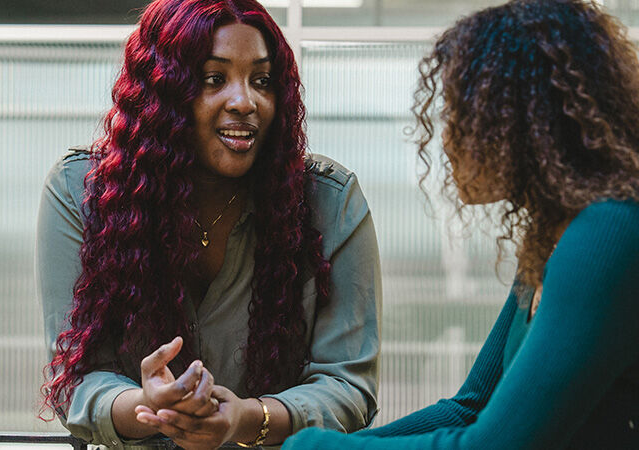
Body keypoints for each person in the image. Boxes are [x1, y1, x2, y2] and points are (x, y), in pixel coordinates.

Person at [284, 0, 639, 449]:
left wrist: (309, 449)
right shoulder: (561, 234)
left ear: (525, 121)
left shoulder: (620, 230)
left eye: (464, 114)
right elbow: (470, 408)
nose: (448, 140)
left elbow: (495, 447)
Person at [36, 0, 381, 448]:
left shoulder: (330, 202)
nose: (244, 101)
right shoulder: (81, 192)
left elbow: (349, 387)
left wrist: (245, 419)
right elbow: (75, 379)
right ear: (161, 94)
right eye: (213, 79)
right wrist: (151, 407)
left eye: (262, 81)